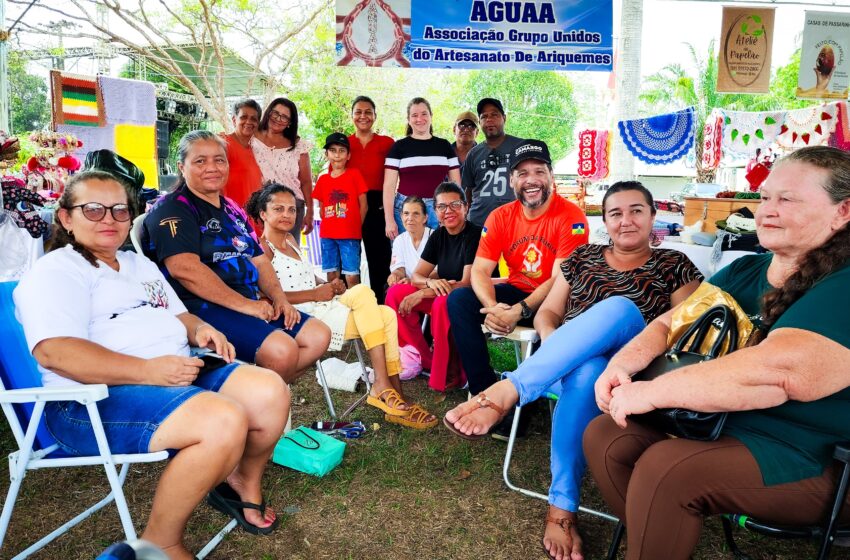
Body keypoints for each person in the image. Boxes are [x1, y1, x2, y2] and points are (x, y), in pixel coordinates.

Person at [585, 146, 850, 560]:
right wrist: (622, 366)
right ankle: (656, 539)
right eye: (764, 198)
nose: (766, 211)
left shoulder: (844, 282)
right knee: (606, 437)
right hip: (723, 422)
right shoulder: (746, 269)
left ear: (843, 211)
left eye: (787, 199)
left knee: (667, 470)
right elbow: (669, 324)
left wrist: (653, 392)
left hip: (811, 454)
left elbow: (778, 372)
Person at [14, 170, 288, 559]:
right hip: (89, 401)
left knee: (270, 392)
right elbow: (56, 352)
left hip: (173, 372)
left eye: (119, 210)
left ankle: (242, 480)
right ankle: (161, 542)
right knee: (222, 420)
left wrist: (202, 330)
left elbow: (179, 316)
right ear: (65, 218)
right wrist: (148, 371)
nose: (108, 219)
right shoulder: (57, 271)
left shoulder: (135, 264)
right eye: (93, 210)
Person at [444, 181, 702, 560]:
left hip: (636, 369)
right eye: (615, 213)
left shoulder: (675, 265)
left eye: (636, 211)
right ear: (605, 220)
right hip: (576, 365)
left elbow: (684, 329)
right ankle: (561, 508)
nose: (626, 221)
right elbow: (548, 312)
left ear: (652, 216)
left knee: (619, 309)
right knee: (586, 370)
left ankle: (509, 390)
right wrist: (554, 342)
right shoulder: (581, 259)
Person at [143, 130, 330, 383]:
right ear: (181, 167)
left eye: (220, 159)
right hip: (202, 309)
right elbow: (183, 269)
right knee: (283, 351)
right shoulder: (173, 208)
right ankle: (261, 393)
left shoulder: (231, 208)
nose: (212, 167)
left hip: (252, 302)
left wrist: (280, 299)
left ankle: (263, 388)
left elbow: (260, 259)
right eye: (200, 161)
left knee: (318, 335)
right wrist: (247, 306)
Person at [246, 183, 437, 429]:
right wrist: (315, 293)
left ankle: (390, 389)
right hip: (304, 318)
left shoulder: (292, 239)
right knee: (368, 298)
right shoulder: (263, 249)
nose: (287, 215)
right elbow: (267, 298)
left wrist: (329, 285)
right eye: (278, 209)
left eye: (292, 210)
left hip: (322, 304)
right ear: (263, 213)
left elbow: (304, 277)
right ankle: (384, 387)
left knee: (385, 312)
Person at [447, 139, 589, 402]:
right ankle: (484, 390)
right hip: (516, 291)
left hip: (556, 302)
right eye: (522, 173)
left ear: (551, 176)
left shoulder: (571, 217)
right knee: (459, 300)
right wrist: (493, 306)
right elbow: (480, 270)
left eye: (539, 171)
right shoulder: (500, 216)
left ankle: (521, 399)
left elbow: (560, 279)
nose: (531, 180)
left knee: (546, 332)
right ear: (512, 180)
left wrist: (519, 310)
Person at [386, 182, 481, 392]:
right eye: (442, 207)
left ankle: (449, 370)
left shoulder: (474, 234)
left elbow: (466, 282)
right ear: (435, 211)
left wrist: (423, 292)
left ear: (465, 206)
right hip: (440, 290)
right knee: (395, 293)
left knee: (440, 302)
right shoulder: (438, 236)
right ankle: (423, 357)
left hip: (465, 295)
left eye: (455, 204)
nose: (448, 211)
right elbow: (419, 274)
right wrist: (429, 283)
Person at [383, 97, 461, 239]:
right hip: (406, 209)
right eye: (414, 115)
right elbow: (389, 186)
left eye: (424, 114)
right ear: (408, 119)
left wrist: (453, 211)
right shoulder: (398, 147)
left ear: (431, 116)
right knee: (406, 257)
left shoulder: (444, 146)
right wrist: (389, 220)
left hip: (439, 209)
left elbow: (456, 184)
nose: (420, 119)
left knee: (438, 256)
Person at [348, 95, 396, 303]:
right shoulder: (344, 143)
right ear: (352, 116)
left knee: (380, 261)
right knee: (349, 260)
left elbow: (394, 176)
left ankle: (383, 308)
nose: (363, 116)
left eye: (368, 112)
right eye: (358, 111)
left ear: (375, 116)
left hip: (378, 203)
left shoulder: (386, 143)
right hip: (350, 204)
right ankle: (352, 307)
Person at [252, 97, 314, 241]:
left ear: (290, 123)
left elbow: (306, 182)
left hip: (291, 208)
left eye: (285, 117)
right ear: (268, 113)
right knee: (259, 256)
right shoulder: (251, 138)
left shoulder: (298, 146)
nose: (278, 119)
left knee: (288, 255)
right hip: (259, 208)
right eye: (275, 113)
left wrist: (310, 212)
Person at [312, 132, 368, 286]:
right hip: (327, 234)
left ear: (348, 155)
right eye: (333, 150)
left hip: (350, 234)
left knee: (351, 275)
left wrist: (356, 225)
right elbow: (322, 208)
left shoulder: (354, 175)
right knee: (332, 274)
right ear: (326, 154)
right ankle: (336, 307)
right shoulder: (323, 179)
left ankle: (356, 306)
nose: (337, 155)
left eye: (342, 150)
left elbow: (364, 204)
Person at [462, 98, 525, 228]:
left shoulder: (521, 147)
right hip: (479, 224)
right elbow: (468, 189)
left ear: (504, 118)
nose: (489, 119)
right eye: (484, 116)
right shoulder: (473, 154)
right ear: (480, 122)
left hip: (514, 223)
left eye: (494, 114)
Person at [221, 99, 263, 209]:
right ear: (234, 120)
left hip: (254, 217)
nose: (249, 122)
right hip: (232, 216)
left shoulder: (257, 150)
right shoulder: (223, 144)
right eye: (243, 117)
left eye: (254, 119)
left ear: (258, 124)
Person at [387, 196, 433, 287]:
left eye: (416, 214)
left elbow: (437, 272)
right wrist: (395, 275)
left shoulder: (434, 237)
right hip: (408, 284)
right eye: (406, 213)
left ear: (425, 218)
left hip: (430, 286)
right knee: (393, 291)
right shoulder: (399, 240)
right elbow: (400, 269)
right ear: (401, 216)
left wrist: (414, 281)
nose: (410, 218)